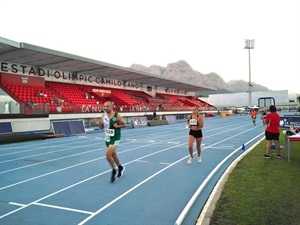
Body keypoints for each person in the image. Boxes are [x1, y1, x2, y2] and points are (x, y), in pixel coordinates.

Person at [94, 101, 126, 183]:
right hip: (107, 137)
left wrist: (118, 126)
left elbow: (124, 124)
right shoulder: (103, 116)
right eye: (104, 106)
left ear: (111, 107)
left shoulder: (117, 115)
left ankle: (113, 170)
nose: (105, 108)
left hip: (115, 137)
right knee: (114, 155)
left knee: (108, 156)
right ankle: (120, 167)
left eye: (107, 106)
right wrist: (98, 124)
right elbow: (102, 127)